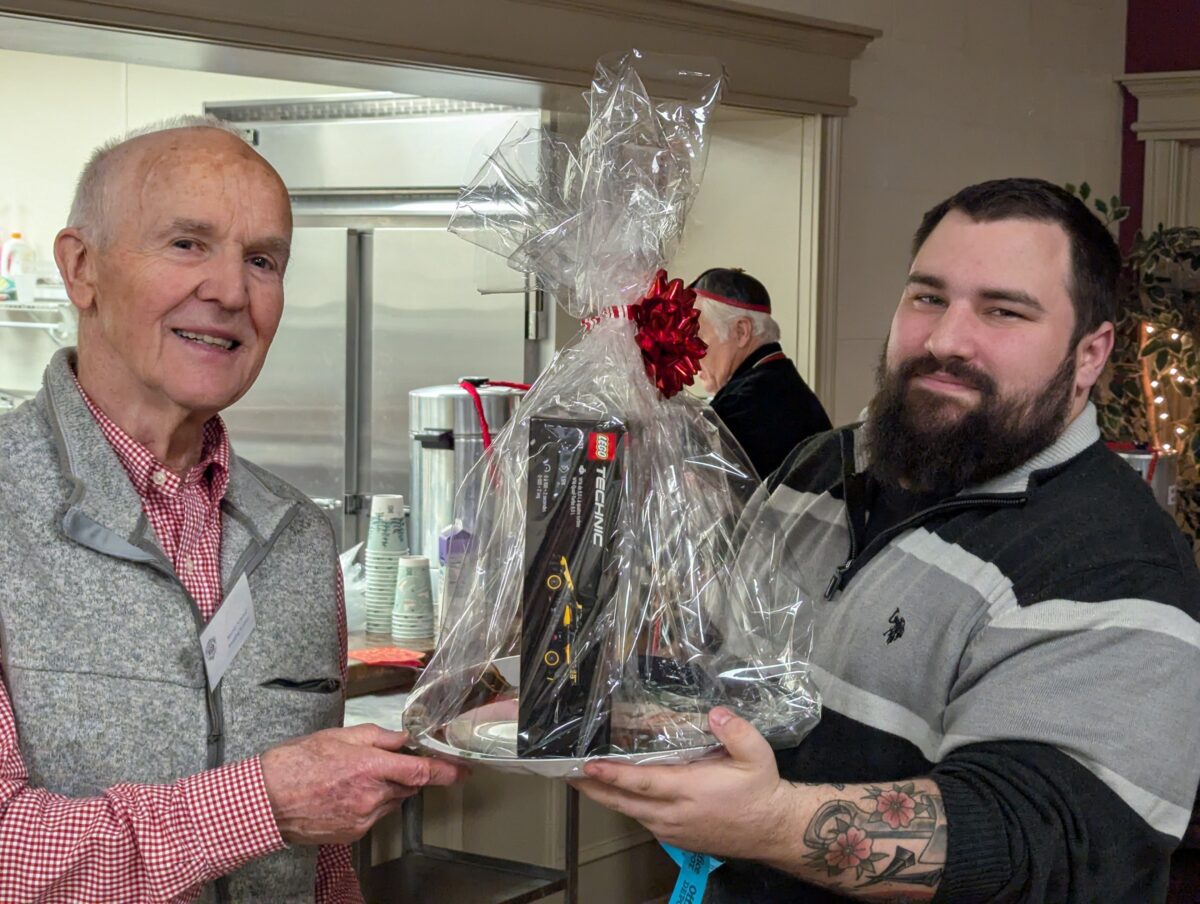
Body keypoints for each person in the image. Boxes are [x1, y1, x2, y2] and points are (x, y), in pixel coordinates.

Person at [575, 178, 1200, 902]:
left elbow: (1050, 844)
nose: (945, 340)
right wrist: (576, 708)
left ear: (1090, 354)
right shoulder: (815, 471)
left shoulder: (1116, 563)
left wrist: (772, 822)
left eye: (1003, 310)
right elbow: (722, 682)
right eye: (928, 297)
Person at [0, 117, 466, 903]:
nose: (229, 291)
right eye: (188, 244)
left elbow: (320, 859)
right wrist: (263, 806)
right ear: (81, 268)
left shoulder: (297, 534)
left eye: (262, 260)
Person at [690, 267, 831, 479]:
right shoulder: (779, 383)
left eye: (697, 338)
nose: (690, 355)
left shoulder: (745, 406)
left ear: (741, 331)